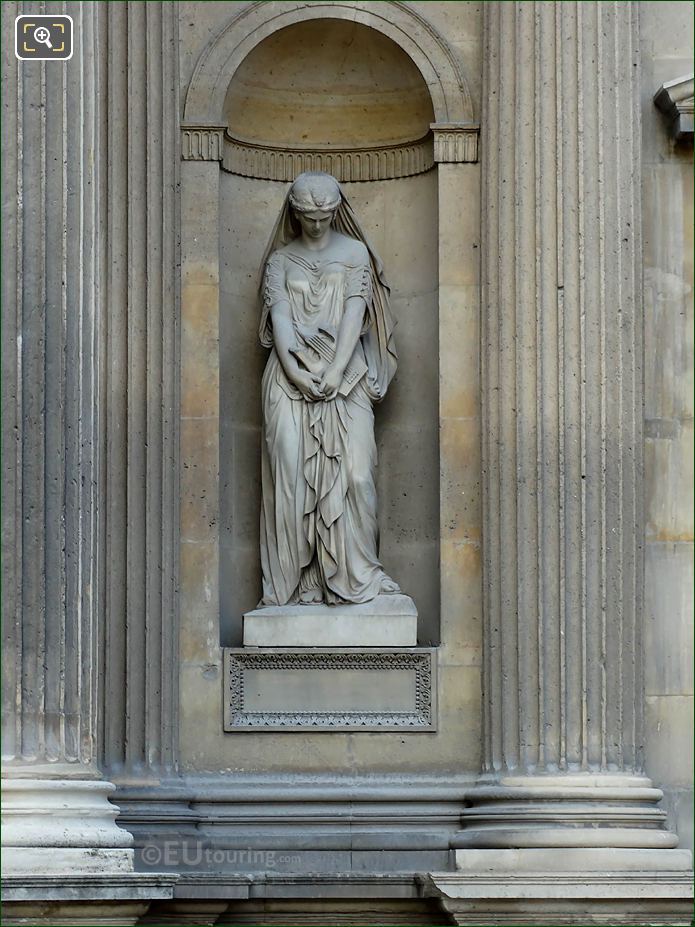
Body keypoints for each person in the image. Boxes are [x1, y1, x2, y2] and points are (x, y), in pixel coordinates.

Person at [257, 171, 401, 606]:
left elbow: (356, 314)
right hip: (289, 378)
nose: (316, 224)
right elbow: (280, 319)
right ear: (295, 213)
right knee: (289, 474)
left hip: (347, 375)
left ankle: (359, 575)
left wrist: (336, 371)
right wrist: (297, 371)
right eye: (307, 217)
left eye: (324, 216)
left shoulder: (355, 254)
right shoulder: (280, 261)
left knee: (356, 474)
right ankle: (301, 581)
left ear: (337, 210)